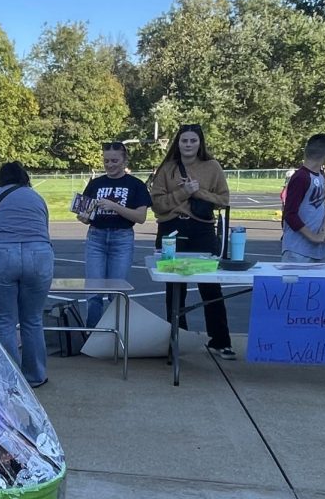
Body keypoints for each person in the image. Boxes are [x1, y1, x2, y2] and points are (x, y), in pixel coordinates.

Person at [149, 124, 235, 360]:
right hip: (171, 230)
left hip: (202, 230)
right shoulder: (167, 168)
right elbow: (157, 204)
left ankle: (220, 340)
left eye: (192, 141)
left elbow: (223, 200)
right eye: (184, 140)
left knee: (211, 286)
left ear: (200, 143)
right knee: (175, 288)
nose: (188, 145)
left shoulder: (212, 167)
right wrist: (183, 193)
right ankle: (178, 339)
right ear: (178, 143)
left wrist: (198, 193)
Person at [0, 162, 53, 388]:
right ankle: (36, 375)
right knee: (32, 319)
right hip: (38, 256)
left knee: (4, 321)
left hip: (0, 256)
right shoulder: (37, 198)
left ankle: (9, 381)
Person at [78, 141, 151, 328]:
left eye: (114, 160)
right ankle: (92, 332)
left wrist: (115, 206)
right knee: (94, 292)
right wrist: (84, 215)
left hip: (122, 237)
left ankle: (116, 333)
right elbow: (84, 216)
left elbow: (141, 217)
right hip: (96, 236)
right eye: (106, 161)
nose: (110, 165)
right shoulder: (96, 184)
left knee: (117, 292)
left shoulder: (135, 185)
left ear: (125, 160)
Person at [280, 133, 325, 262]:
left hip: (316, 251)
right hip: (298, 251)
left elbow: (320, 206)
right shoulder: (301, 178)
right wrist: (313, 237)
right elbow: (290, 214)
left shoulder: (320, 176)